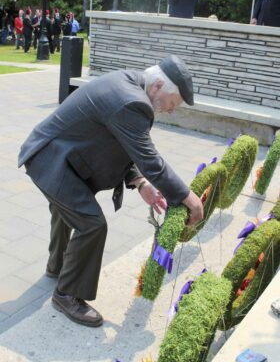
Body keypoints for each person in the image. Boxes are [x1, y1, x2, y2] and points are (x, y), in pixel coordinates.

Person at [18, 55, 203, 327]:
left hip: (56, 154)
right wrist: (189, 198)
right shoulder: (132, 102)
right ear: (157, 85)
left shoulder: (129, 83)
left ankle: (57, 267)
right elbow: (151, 161)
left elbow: (120, 144)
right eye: (171, 104)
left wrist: (140, 183)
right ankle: (67, 293)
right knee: (92, 224)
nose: (170, 111)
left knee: (65, 208)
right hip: (52, 160)